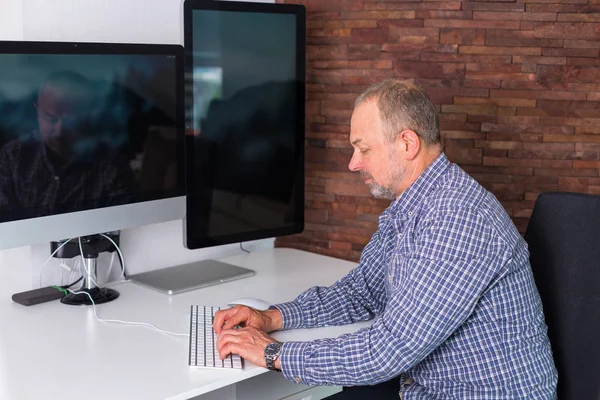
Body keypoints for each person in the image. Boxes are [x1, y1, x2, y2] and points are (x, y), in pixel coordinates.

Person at [213, 79, 558, 399]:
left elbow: (388, 350)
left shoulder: (456, 217)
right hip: (424, 386)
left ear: (407, 143)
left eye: (363, 149)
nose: (353, 163)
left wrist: (272, 352)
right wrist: (272, 318)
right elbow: (363, 292)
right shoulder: (413, 204)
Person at [0, 70, 136, 220]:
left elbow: (125, 223)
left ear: (87, 117)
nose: (59, 132)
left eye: (71, 122)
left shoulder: (112, 166)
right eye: (51, 119)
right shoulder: (12, 156)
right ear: (37, 112)